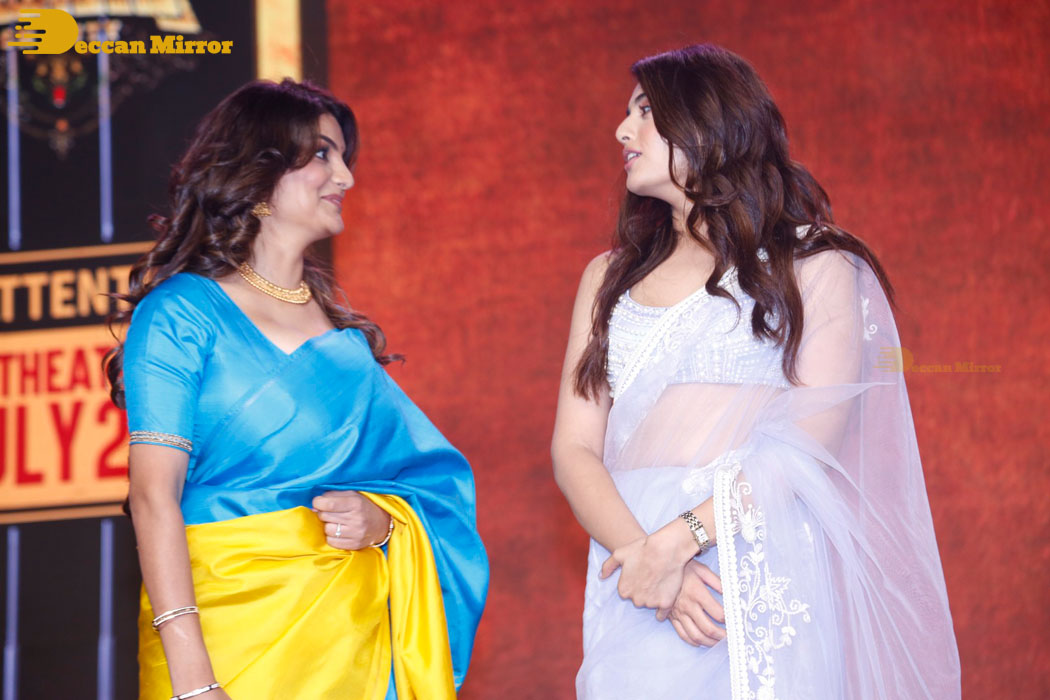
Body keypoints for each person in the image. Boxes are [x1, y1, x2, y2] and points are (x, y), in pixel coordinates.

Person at [551, 44, 960, 699]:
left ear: (709, 120)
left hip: (752, 557)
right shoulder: (607, 279)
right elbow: (574, 449)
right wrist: (647, 557)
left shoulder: (815, 268)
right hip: (633, 575)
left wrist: (682, 541)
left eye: (646, 111)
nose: (622, 131)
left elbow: (807, 445)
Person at [104, 79, 488, 700]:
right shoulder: (181, 314)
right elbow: (153, 497)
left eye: (344, 158)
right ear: (260, 170)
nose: (346, 177)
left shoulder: (344, 345)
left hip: (348, 647)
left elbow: (427, 484)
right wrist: (193, 679)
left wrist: (384, 524)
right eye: (322, 154)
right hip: (222, 644)